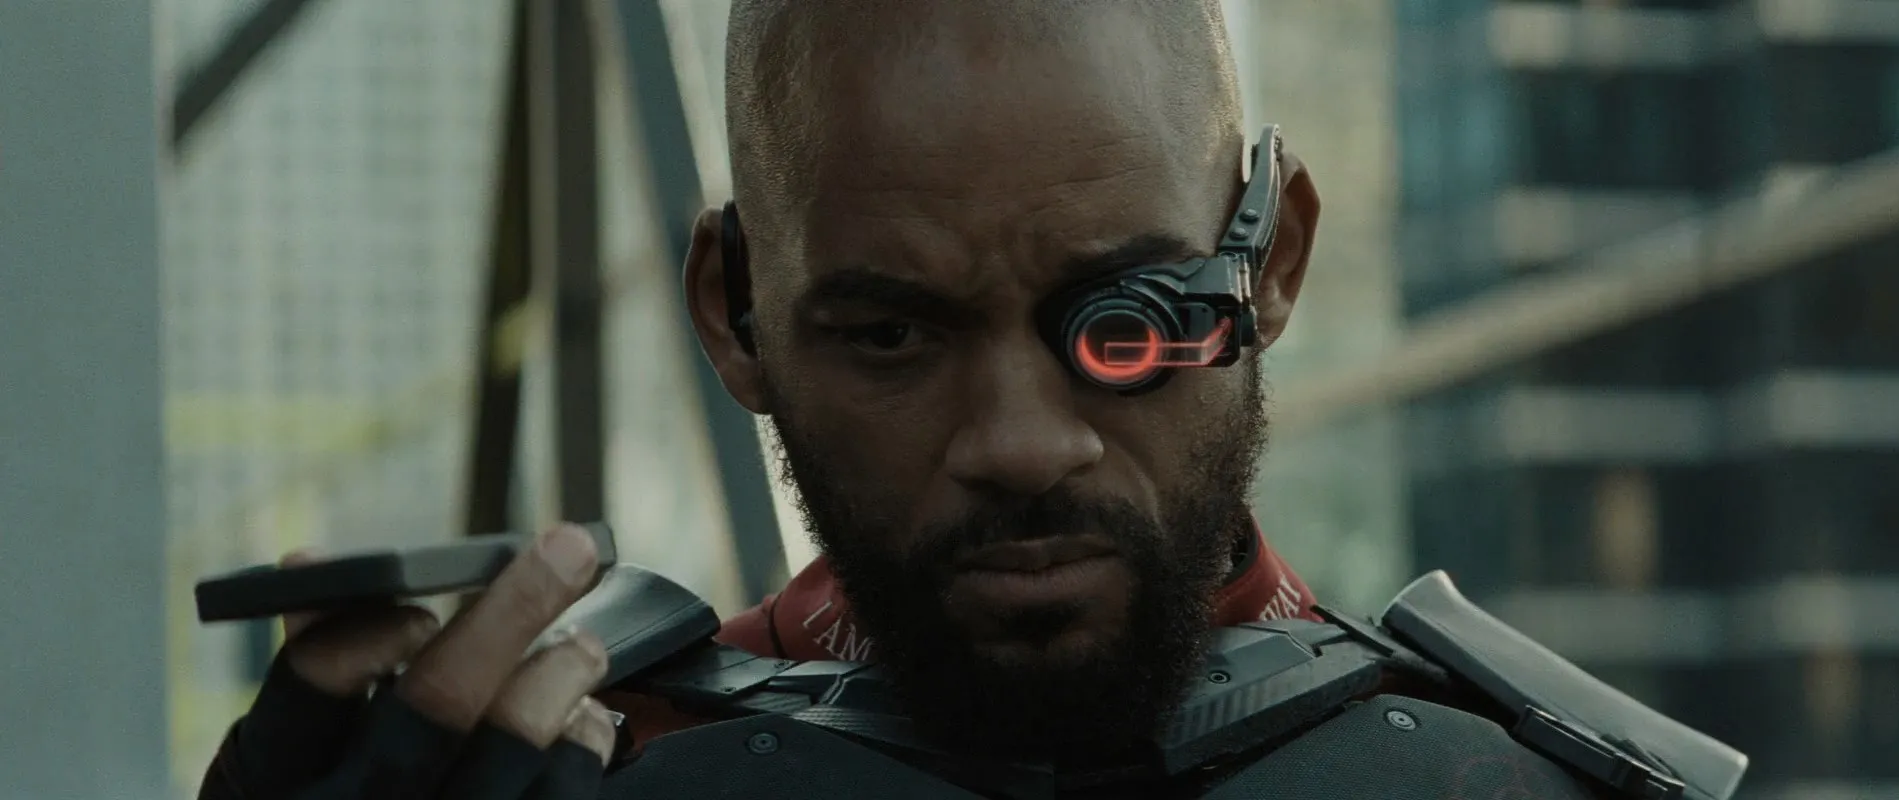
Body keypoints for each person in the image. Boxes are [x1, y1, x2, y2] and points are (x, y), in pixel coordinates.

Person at [198, 1, 1740, 798]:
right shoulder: (585, 774)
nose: (1018, 443)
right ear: (734, 313)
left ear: (1273, 262)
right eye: (891, 335)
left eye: (1126, 318)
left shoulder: (1515, 785)